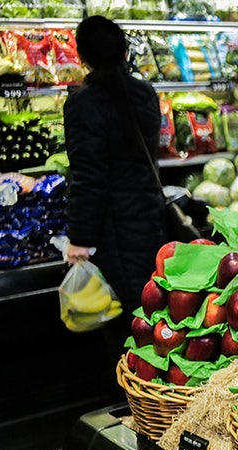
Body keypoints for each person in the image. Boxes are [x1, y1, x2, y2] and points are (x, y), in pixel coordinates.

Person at [64, 15, 164, 348]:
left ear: (83, 58)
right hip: (149, 213)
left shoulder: (83, 103)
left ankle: (131, 390)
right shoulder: (144, 92)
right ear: (124, 52)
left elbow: (88, 175)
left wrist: (79, 238)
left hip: (115, 227)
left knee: (125, 320)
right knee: (154, 306)